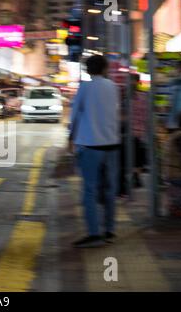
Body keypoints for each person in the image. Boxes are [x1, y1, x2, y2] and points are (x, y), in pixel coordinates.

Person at [68, 55, 120, 248]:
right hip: (112, 144)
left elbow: (74, 115)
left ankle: (93, 233)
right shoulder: (112, 86)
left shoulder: (85, 87)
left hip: (90, 145)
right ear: (105, 68)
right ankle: (110, 230)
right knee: (109, 189)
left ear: (87, 70)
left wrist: (70, 138)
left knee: (89, 191)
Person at [163, 110, 181, 217]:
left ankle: (176, 203)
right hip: (177, 175)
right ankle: (176, 204)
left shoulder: (176, 135)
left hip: (172, 173)